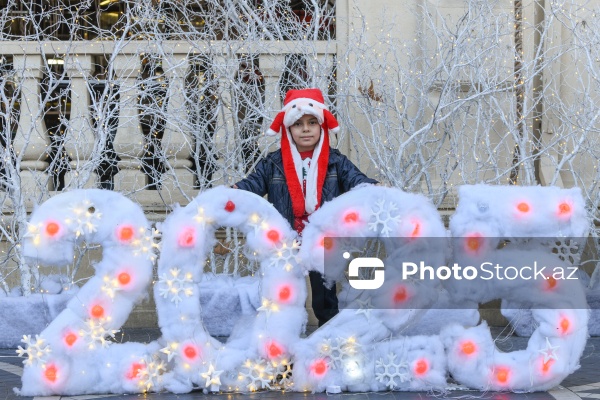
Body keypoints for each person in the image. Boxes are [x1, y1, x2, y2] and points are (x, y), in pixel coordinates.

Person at [234, 88, 378, 327]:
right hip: (286, 240)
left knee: (325, 300)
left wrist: (375, 187)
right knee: (286, 298)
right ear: (288, 128)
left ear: (322, 126)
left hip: (322, 240)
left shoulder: (336, 161)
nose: (306, 129)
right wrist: (235, 191)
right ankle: (285, 349)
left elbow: (357, 182)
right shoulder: (273, 163)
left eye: (312, 122)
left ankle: (327, 344)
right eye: (298, 124)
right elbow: (252, 186)